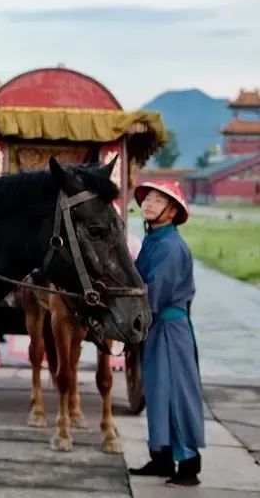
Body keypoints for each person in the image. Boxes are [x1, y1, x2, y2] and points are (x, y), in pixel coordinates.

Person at [128, 179, 205, 486]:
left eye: (158, 201)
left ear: (172, 212)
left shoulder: (171, 247)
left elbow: (153, 294)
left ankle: (188, 464)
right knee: (158, 393)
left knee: (176, 394)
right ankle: (161, 458)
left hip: (170, 331)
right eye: (147, 199)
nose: (148, 204)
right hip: (157, 328)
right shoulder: (154, 240)